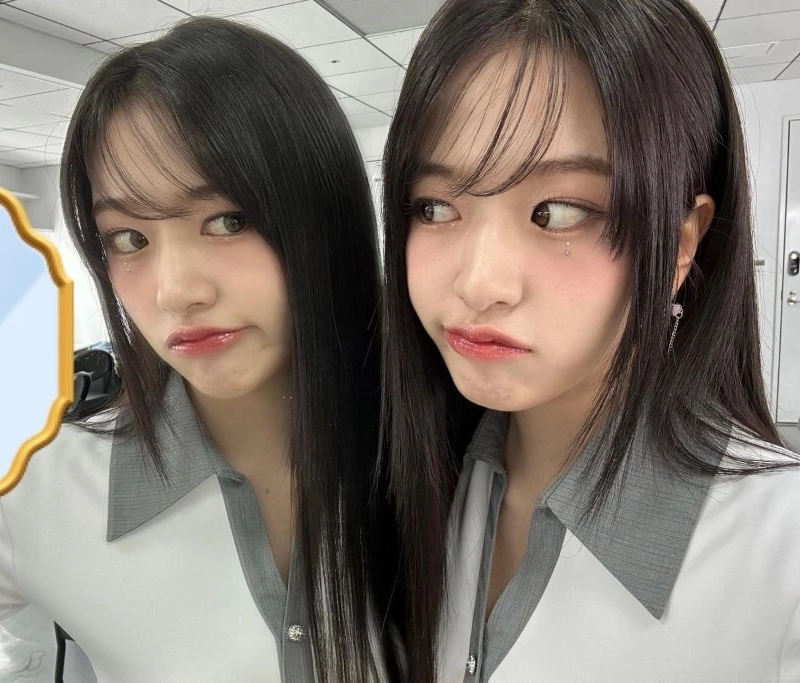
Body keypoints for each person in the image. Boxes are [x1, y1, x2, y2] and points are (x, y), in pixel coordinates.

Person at [380, 0, 800, 680]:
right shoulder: (419, 483)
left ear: (679, 245)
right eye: (435, 207)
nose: (480, 283)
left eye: (557, 213)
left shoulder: (780, 561)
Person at [0, 17, 401, 682]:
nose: (176, 292)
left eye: (228, 221)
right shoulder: (42, 487)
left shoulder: (448, 457)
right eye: (129, 238)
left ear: (325, 218)